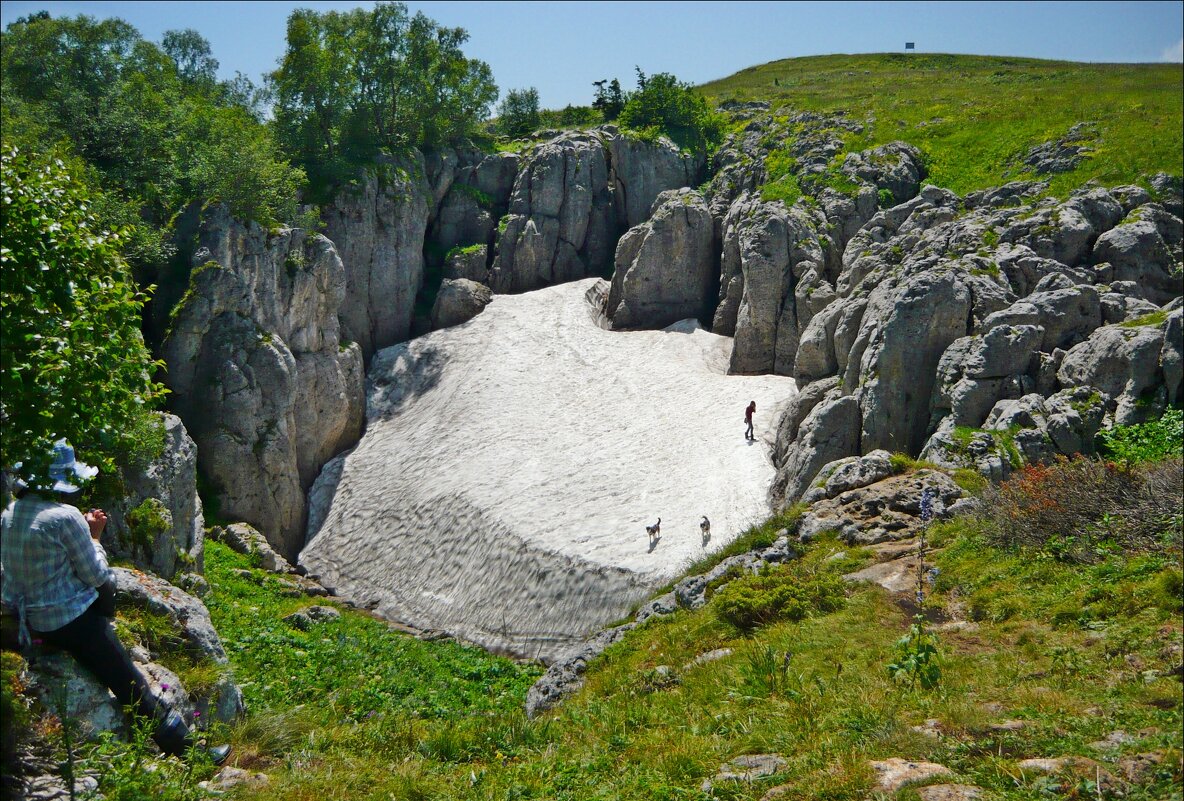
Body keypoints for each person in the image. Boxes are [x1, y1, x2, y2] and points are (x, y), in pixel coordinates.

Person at [1, 439, 230, 764]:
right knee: (130, 682)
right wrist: (93, 536)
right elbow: (96, 574)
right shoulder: (65, 517)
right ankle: (190, 752)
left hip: (24, 621)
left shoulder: (9, 514)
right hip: (68, 624)